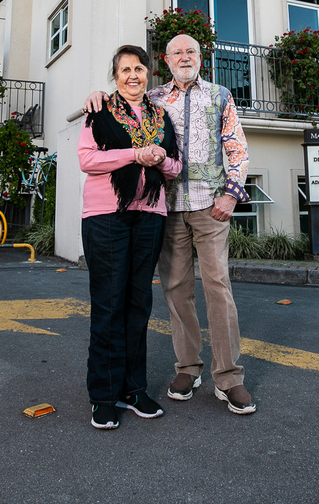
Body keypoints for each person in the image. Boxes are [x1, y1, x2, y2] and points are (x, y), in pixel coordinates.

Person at [85, 33, 255, 415]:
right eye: (177, 52)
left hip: (211, 206)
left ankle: (228, 378)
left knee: (218, 288)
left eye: (191, 51)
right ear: (166, 60)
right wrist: (97, 96)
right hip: (167, 207)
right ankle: (188, 369)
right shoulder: (154, 98)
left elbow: (237, 147)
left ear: (201, 57)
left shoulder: (221, 96)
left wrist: (231, 194)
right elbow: (121, 103)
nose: (184, 57)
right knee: (177, 291)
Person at [77, 45, 181, 429]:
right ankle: (104, 395)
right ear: (115, 76)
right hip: (106, 216)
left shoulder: (161, 116)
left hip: (150, 215)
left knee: (139, 304)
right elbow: (87, 159)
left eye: (139, 68)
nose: (133, 75)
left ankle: (134, 390)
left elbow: (176, 166)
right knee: (109, 304)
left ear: (148, 74)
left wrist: (160, 159)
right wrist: (134, 154)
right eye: (125, 69)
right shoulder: (99, 111)